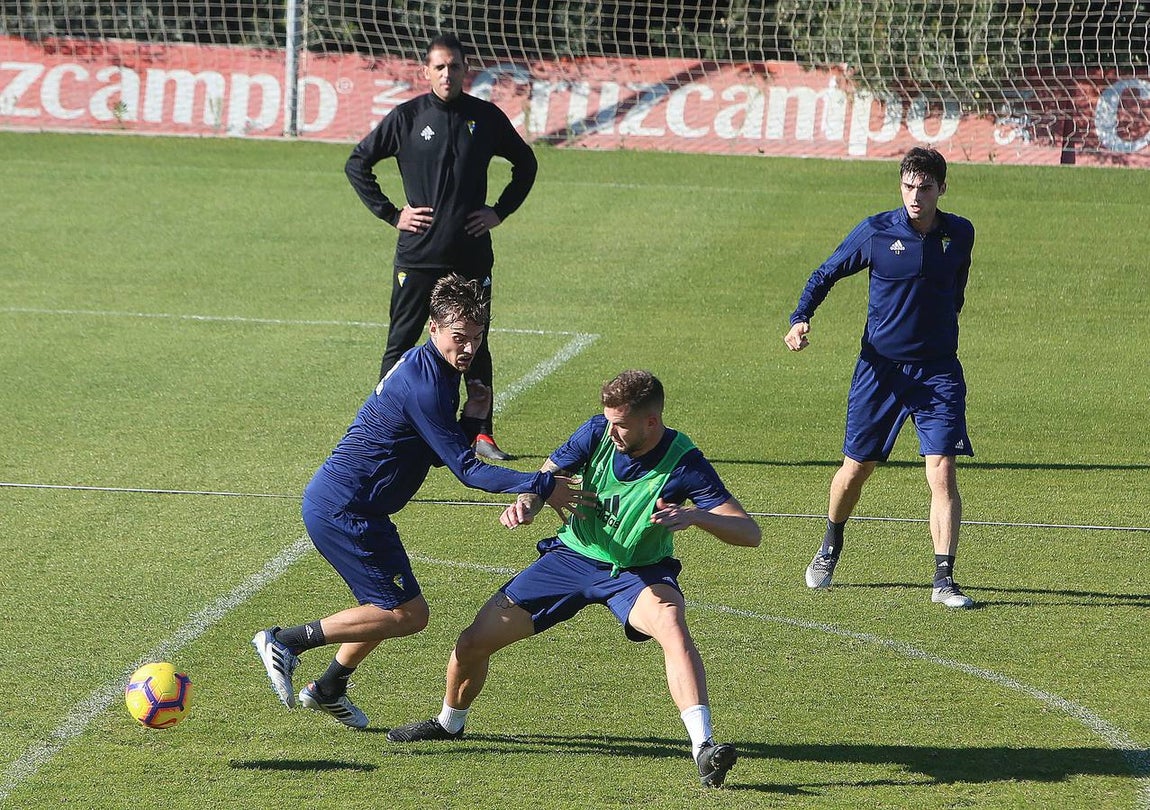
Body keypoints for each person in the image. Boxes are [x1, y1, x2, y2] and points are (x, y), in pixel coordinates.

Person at [386, 370, 762, 789]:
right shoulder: (596, 430)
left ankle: (704, 749)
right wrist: (528, 502)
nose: (611, 431)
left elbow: (750, 533)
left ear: (651, 422)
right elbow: (545, 476)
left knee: (673, 628)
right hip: (570, 558)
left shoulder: (685, 462)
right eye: (608, 420)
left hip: (635, 572)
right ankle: (449, 723)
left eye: (621, 424)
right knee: (472, 641)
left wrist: (695, 515)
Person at [251, 274, 587, 729]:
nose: (468, 348)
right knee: (408, 615)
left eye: (476, 338)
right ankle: (286, 641)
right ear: (433, 328)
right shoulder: (426, 385)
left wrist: (469, 421)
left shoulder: (439, 371)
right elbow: (468, 472)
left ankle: (329, 687)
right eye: (458, 338)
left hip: (364, 509)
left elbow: (430, 452)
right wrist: (544, 484)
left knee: (385, 606)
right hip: (345, 509)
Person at [783, 145, 977, 609]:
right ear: (901, 186)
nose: (915, 196)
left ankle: (943, 580)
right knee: (856, 470)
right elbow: (825, 272)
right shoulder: (875, 232)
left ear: (941, 189)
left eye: (925, 188)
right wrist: (801, 317)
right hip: (880, 373)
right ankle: (831, 542)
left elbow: (957, 286)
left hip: (937, 373)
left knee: (943, 471)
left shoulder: (961, 233)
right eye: (908, 186)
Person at [345, 33, 538, 462]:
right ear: (426, 71)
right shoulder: (407, 117)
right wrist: (392, 213)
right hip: (418, 256)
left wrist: (499, 211)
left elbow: (525, 163)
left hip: (470, 254)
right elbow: (357, 162)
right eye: (439, 67)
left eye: (454, 66)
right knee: (400, 344)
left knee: (476, 342)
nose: (447, 74)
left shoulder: (485, 117)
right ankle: (382, 433)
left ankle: (482, 434)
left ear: (465, 70)